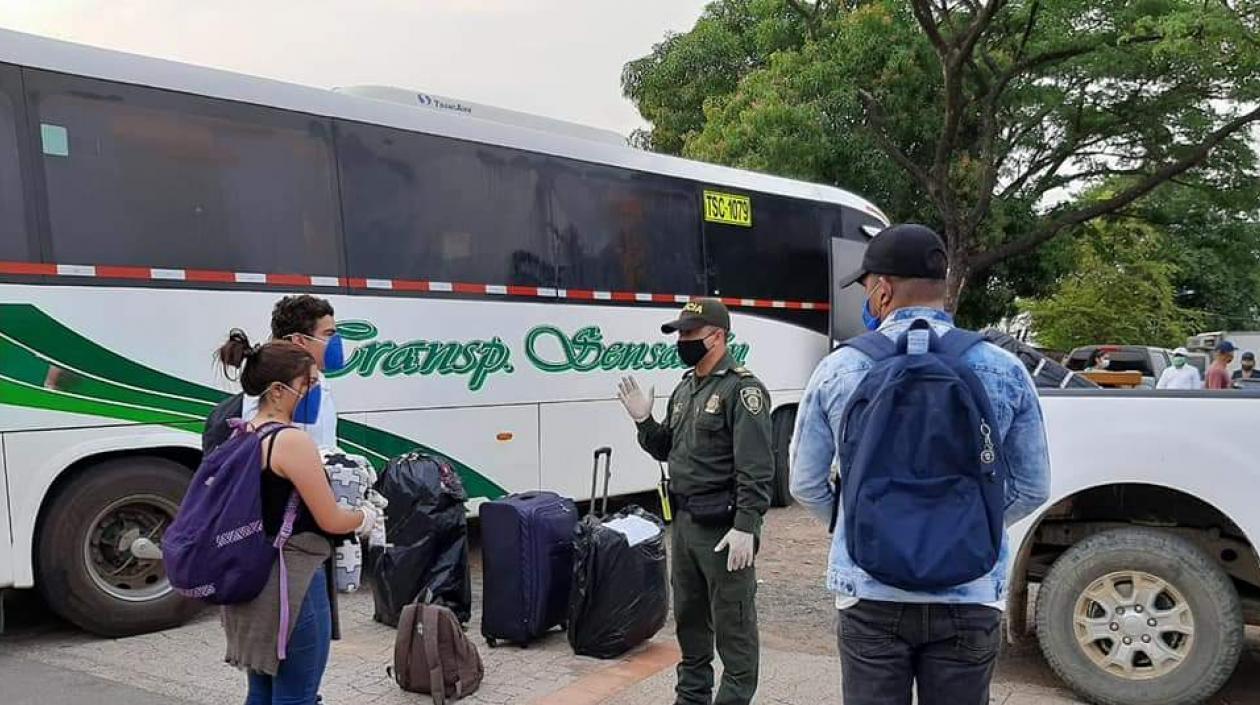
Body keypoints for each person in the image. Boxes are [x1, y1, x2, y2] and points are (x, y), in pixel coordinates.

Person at [790, 224, 1051, 705]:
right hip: (968, 590)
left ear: (883, 290)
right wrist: (971, 526)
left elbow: (805, 482)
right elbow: (1033, 486)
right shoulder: (1003, 366)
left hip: (870, 590)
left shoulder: (840, 368)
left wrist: (859, 522)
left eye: (867, 288)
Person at [616, 298, 772, 705]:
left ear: (717, 336)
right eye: (680, 333)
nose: (682, 341)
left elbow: (757, 468)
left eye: (689, 333)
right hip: (685, 525)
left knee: (734, 628)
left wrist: (747, 525)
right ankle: (691, 699)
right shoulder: (685, 387)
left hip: (723, 530)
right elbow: (666, 448)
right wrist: (643, 421)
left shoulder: (743, 390)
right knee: (690, 623)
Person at [215, 331, 379, 705]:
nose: (312, 393)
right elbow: (332, 519)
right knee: (297, 695)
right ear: (277, 390)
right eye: (307, 384)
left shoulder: (240, 433)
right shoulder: (291, 442)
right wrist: (365, 516)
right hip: (291, 583)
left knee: (261, 690)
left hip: (248, 580)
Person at [205, 295, 343, 453]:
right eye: (328, 334)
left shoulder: (319, 383)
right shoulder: (259, 408)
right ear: (299, 340)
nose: (336, 341)